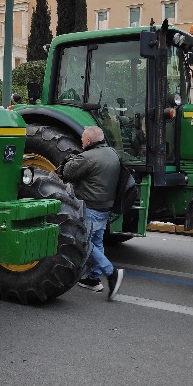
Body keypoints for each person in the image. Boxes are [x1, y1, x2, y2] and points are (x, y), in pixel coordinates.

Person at [58, 125, 125, 301]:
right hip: (106, 206)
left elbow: (66, 174)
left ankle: (111, 272)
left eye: (82, 138)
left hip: (91, 206)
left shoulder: (88, 157)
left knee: (84, 243)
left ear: (88, 140)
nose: (81, 141)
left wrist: (69, 160)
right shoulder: (112, 153)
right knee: (97, 241)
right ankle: (93, 279)